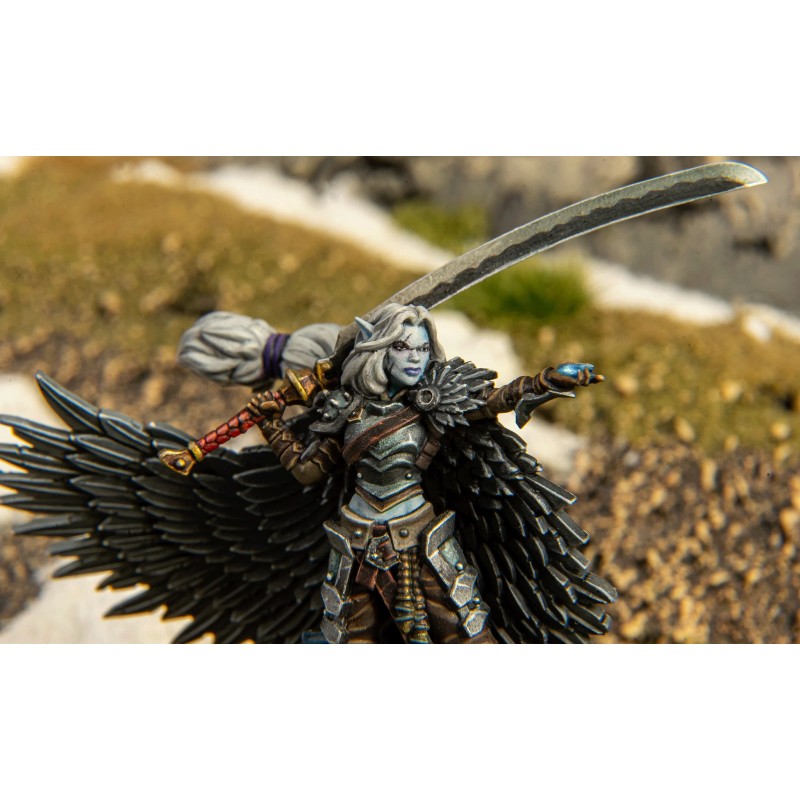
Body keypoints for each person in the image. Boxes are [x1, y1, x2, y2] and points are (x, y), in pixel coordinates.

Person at [247, 303, 606, 644]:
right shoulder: (345, 408)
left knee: (466, 631)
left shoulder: (432, 402)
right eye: (403, 347)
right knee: (344, 638)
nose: (415, 358)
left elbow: (491, 402)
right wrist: (271, 424)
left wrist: (542, 382)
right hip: (355, 545)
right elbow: (308, 471)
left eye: (422, 348)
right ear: (378, 349)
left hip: (424, 542)